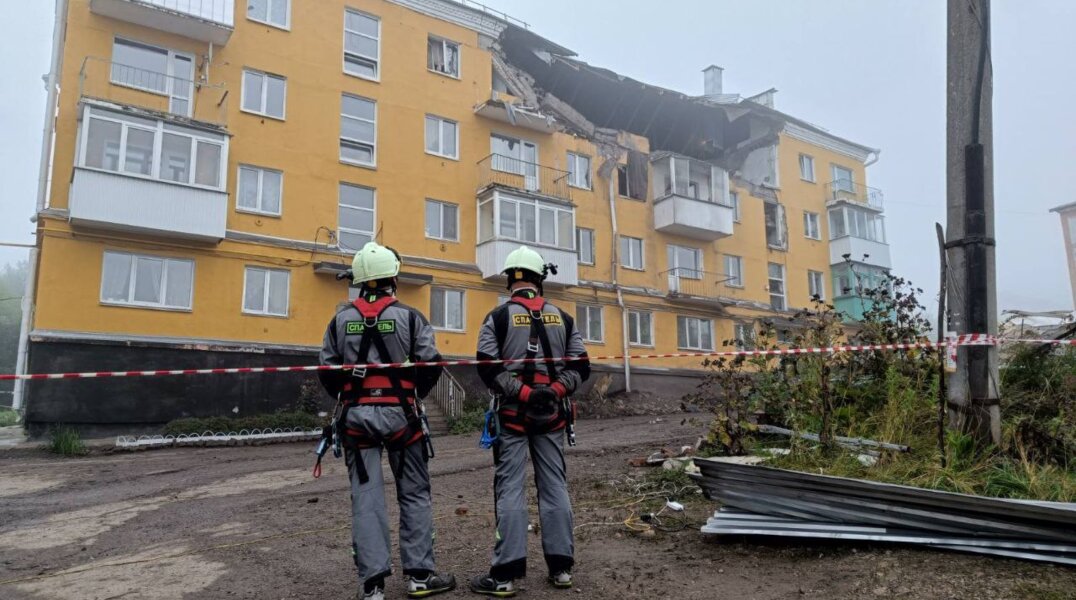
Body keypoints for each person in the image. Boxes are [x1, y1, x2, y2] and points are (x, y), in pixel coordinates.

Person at [318, 242, 456, 600]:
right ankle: (420, 578)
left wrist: (351, 395)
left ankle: (373, 586)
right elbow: (432, 364)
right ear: (392, 277)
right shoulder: (411, 317)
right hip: (403, 419)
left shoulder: (340, 320)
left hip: (356, 420)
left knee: (366, 498)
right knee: (414, 495)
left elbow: (327, 372)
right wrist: (410, 397)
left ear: (360, 281)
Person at [470, 246, 591, 597]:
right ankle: (562, 569)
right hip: (552, 416)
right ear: (540, 280)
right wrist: (553, 390)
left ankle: (505, 575)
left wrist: (522, 394)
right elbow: (581, 366)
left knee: (510, 488)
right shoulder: (564, 318)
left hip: (512, 416)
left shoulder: (497, 318)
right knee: (554, 486)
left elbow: (487, 368)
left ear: (511, 279)